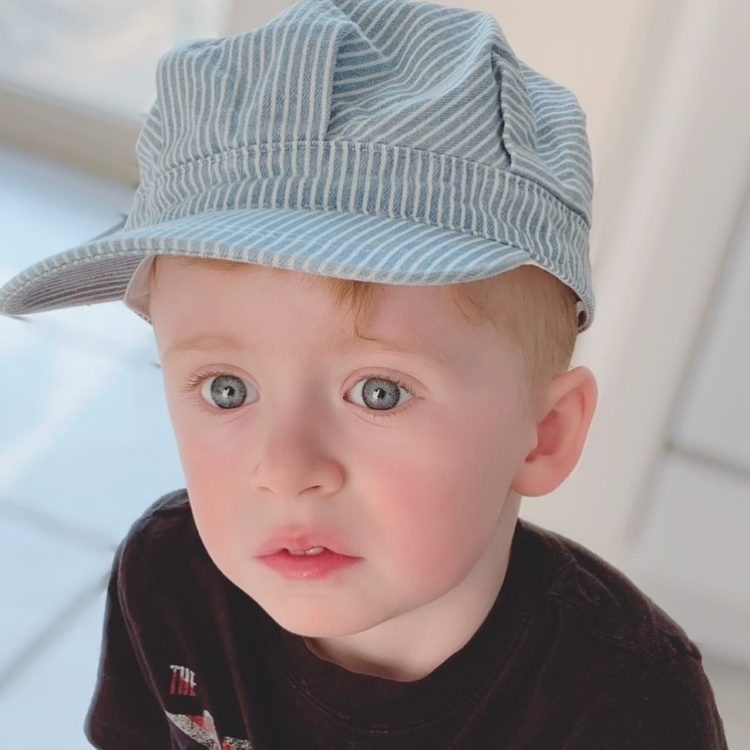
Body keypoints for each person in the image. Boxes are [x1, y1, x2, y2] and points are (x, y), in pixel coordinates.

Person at [0, 0, 729, 747]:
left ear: (542, 434)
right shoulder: (171, 581)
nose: (286, 471)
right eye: (228, 388)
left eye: (378, 393)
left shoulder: (626, 704)